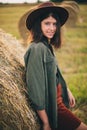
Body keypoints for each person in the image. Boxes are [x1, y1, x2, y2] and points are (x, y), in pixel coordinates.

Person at [24, 2, 87, 130]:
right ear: (38, 25)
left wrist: (66, 90)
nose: (52, 28)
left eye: (54, 24)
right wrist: (46, 122)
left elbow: (55, 73)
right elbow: (35, 89)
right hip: (55, 107)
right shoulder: (37, 49)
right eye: (47, 23)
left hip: (58, 101)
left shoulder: (46, 46)